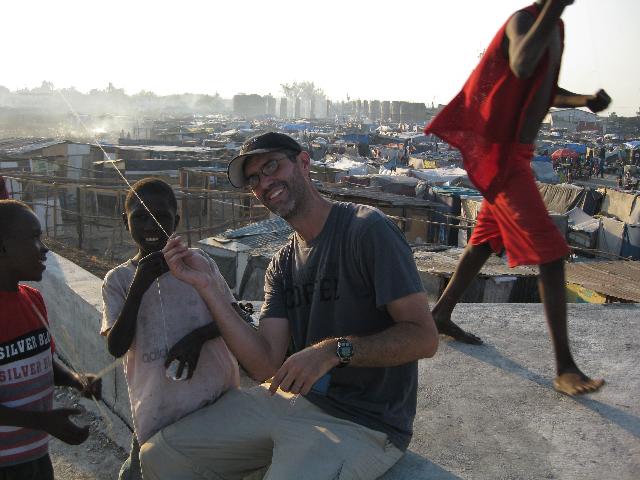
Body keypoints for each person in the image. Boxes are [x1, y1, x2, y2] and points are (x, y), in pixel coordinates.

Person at [140, 132, 439, 480]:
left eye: (271, 166)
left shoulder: (366, 230)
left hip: (363, 423)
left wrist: (333, 351)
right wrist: (208, 286)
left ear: (304, 162)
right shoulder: (282, 263)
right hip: (291, 401)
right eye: (254, 179)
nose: (265, 183)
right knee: (162, 455)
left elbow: (424, 338)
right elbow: (265, 362)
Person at [424, 0, 610, 396]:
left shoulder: (554, 30)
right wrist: (552, 8)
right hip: (503, 156)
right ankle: (565, 368)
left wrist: (584, 102)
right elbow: (522, 66)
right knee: (552, 253)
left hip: (520, 155)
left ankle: (440, 312)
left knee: (482, 243)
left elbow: (543, 90)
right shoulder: (523, 21)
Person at [100, 178, 239, 480]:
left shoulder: (198, 263)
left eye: (161, 216)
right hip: (157, 414)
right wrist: (140, 284)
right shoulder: (119, 280)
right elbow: (116, 346)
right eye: (140, 217)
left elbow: (234, 314)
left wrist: (197, 338)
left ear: (175, 220)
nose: (151, 225)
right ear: (126, 222)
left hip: (216, 404)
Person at [0, 199, 101, 480]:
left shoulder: (33, 301)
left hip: (34, 452)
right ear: (3, 247)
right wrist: (41, 421)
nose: (45, 249)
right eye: (34, 238)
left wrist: (75, 379)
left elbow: (44, 361)